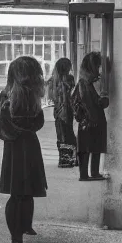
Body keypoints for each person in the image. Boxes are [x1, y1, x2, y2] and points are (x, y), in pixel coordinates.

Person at [0, 56, 47, 243]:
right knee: (23, 196)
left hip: (13, 151)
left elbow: (2, 128)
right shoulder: (29, 97)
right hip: (29, 149)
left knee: (16, 195)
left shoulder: (6, 95)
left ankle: (17, 239)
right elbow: (38, 123)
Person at [75, 52, 109, 181]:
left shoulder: (84, 82)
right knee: (93, 146)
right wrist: (104, 97)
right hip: (93, 119)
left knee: (88, 147)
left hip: (86, 120)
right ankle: (91, 173)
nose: (100, 68)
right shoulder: (90, 83)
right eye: (98, 65)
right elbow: (95, 102)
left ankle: (88, 174)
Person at [47, 58, 77, 168]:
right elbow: (72, 95)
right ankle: (72, 159)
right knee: (69, 133)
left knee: (61, 134)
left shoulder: (52, 80)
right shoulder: (70, 79)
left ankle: (65, 160)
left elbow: (51, 97)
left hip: (59, 111)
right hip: (67, 110)